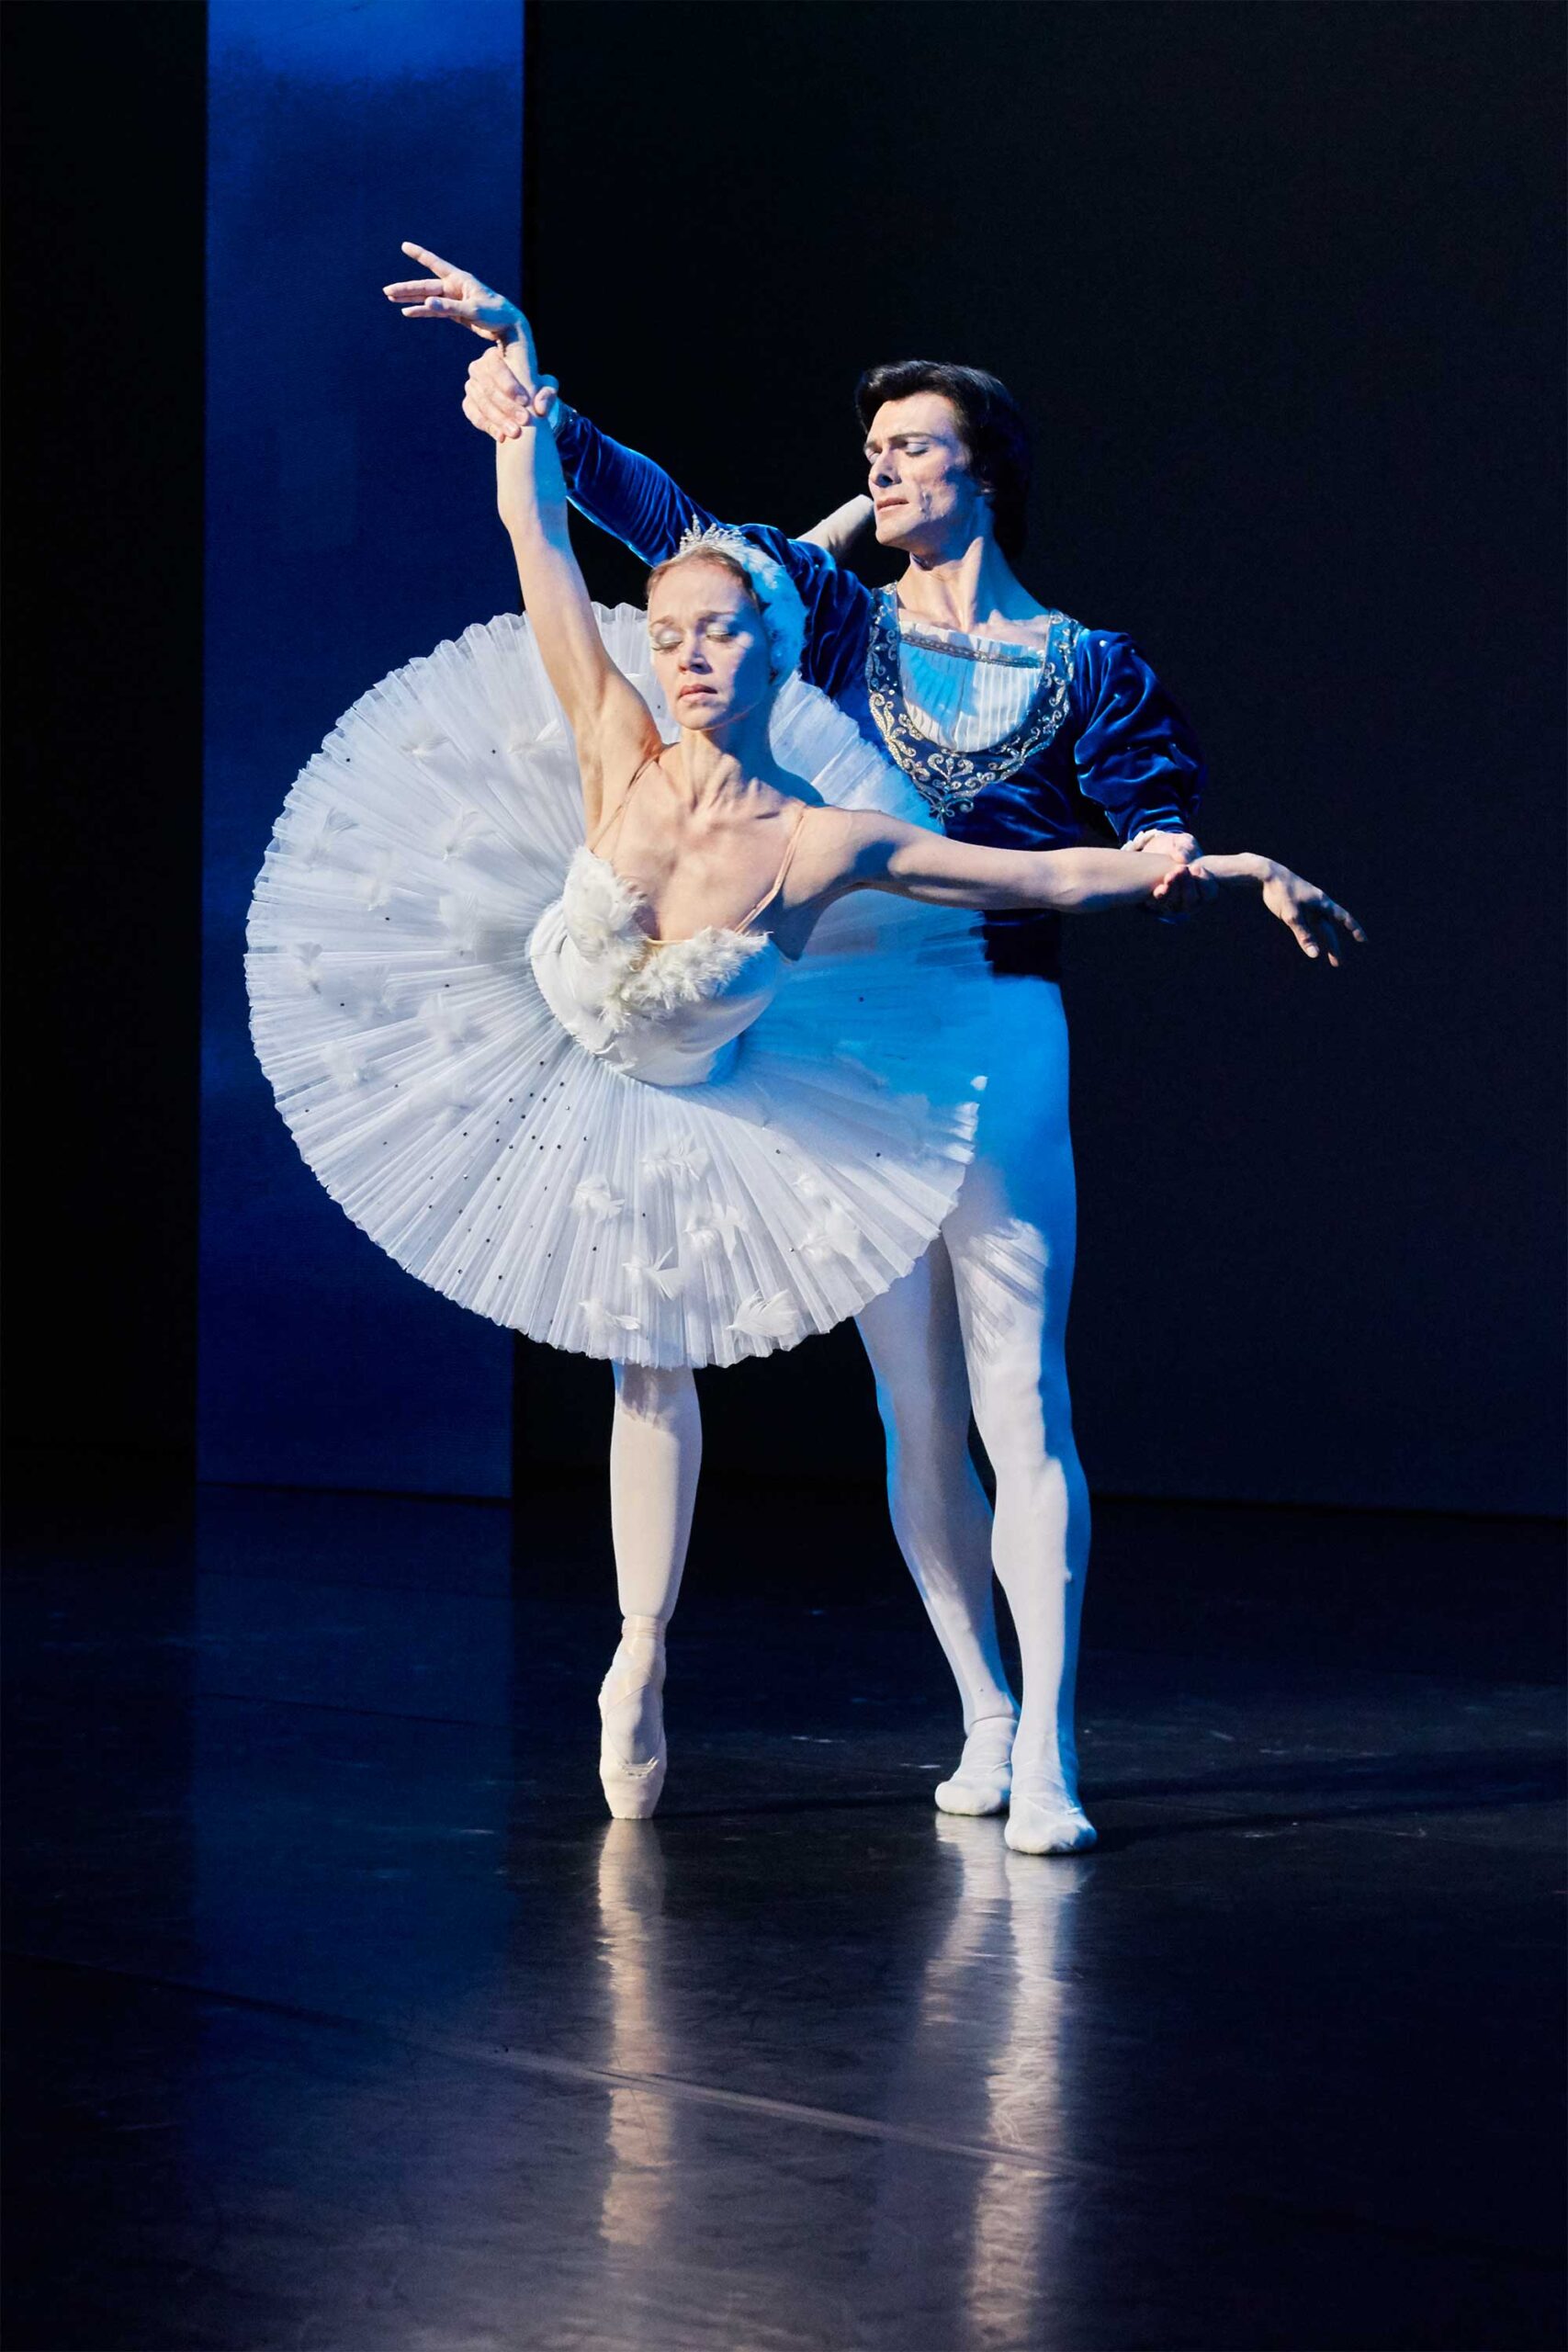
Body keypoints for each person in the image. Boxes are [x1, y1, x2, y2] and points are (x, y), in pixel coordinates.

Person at [252, 256, 1358, 1833]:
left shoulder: (1088, 666)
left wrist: (1211, 864)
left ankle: (1047, 1741)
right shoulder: (828, 616)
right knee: (911, 1407)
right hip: (839, 1021)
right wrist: (534, 393)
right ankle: (978, 1707)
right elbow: (659, 530)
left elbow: (1114, 847)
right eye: (878, 449)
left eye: (915, 447)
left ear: (988, 473)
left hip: (991, 1000)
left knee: (1018, 1389)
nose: (884, 467)